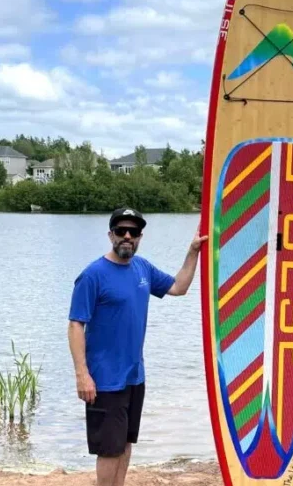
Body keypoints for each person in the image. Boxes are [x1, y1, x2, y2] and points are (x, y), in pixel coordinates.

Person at [67, 207, 207, 486]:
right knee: (109, 449)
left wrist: (193, 252)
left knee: (126, 441)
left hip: (134, 376)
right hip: (104, 380)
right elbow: (75, 325)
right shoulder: (93, 275)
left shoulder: (142, 268)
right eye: (121, 231)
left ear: (140, 236)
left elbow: (179, 287)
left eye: (134, 232)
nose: (127, 236)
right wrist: (82, 374)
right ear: (111, 235)